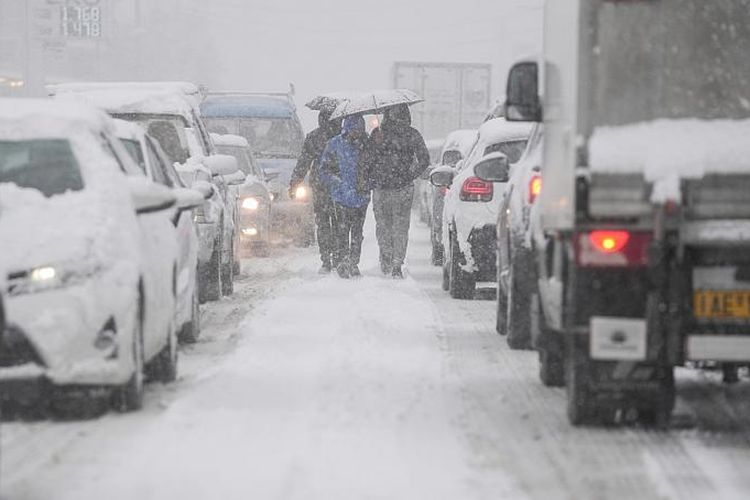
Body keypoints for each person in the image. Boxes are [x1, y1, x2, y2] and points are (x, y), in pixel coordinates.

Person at [365, 104, 430, 278]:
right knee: (400, 227)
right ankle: (396, 264)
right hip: (403, 188)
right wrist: (410, 175)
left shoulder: (377, 133)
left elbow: (367, 160)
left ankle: (386, 260)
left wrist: (374, 176)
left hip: (382, 189)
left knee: (383, 227)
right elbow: (424, 159)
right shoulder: (412, 134)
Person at [289, 109, 342, 273]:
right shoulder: (341, 136)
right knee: (339, 223)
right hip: (340, 185)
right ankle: (338, 257)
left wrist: (295, 182)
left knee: (323, 223)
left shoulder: (314, 137)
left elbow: (304, 162)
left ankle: (326, 259)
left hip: (320, 186)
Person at [318, 115, 370, 279]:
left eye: (359, 130)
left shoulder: (367, 145)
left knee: (357, 232)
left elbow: (376, 167)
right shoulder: (334, 144)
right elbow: (324, 170)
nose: (356, 133)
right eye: (354, 129)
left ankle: (353, 263)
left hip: (361, 197)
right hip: (340, 197)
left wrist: (368, 182)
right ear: (347, 129)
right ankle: (342, 261)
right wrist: (337, 182)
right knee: (341, 231)